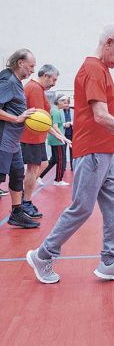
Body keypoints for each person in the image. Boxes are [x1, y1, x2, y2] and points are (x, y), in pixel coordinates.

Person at [26, 23, 114, 284]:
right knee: (82, 208)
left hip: (106, 153)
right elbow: (100, 116)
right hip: (94, 151)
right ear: (109, 42)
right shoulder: (93, 69)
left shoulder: (103, 70)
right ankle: (43, 254)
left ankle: (109, 261)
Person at [21, 64, 68, 217]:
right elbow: (39, 120)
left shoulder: (38, 89)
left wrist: (60, 135)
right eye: (53, 79)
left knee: (44, 164)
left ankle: (24, 194)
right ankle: (25, 201)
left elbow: (44, 120)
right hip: (31, 136)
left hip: (37, 136)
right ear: (46, 75)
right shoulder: (34, 89)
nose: (54, 83)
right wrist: (57, 134)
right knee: (33, 168)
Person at [0, 48, 39, 229]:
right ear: (20, 63)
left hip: (13, 141)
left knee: (17, 175)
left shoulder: (16, 81)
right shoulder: (7, 81)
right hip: (3, 138)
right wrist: (16, 118)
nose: (32, 70)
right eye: (31, 66)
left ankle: (16, 213)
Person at [38, 94, 69, 186]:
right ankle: (58, 180)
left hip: (54, 138)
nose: (66, 104)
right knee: (60, 160)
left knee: (54, 160)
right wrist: (64, 138)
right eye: (64, 102)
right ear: (58, 102)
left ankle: (39, 176)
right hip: (57, 140)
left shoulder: (55, 110)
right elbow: (54, 127)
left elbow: (55, 125)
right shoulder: (56, 112)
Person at [61, 96, 74, 171]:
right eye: (65, 103)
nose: (66, 105)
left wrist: (71, 123)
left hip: (72, 133)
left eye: (67, 103)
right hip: (63, 134)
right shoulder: (59, 112)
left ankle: (73, 166)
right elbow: (58, 123)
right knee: (63, 151)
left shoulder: (73, 111)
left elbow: (76, 121)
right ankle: (63, 167)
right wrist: (64, 124)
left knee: (72, 151)